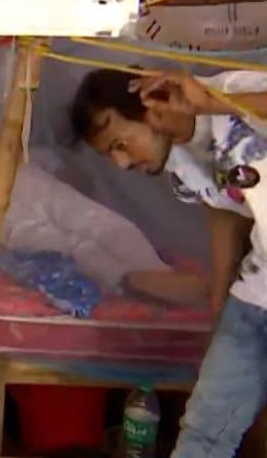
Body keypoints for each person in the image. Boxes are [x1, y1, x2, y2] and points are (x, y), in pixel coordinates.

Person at [70, 67, 267, 458]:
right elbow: (226, 206)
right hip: (257, 294)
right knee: (203, 430)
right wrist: (219, 298)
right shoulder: (180, 160)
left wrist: (209, 102)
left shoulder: (232, 93)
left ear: (151, 108)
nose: (122, 164)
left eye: (119, 143)